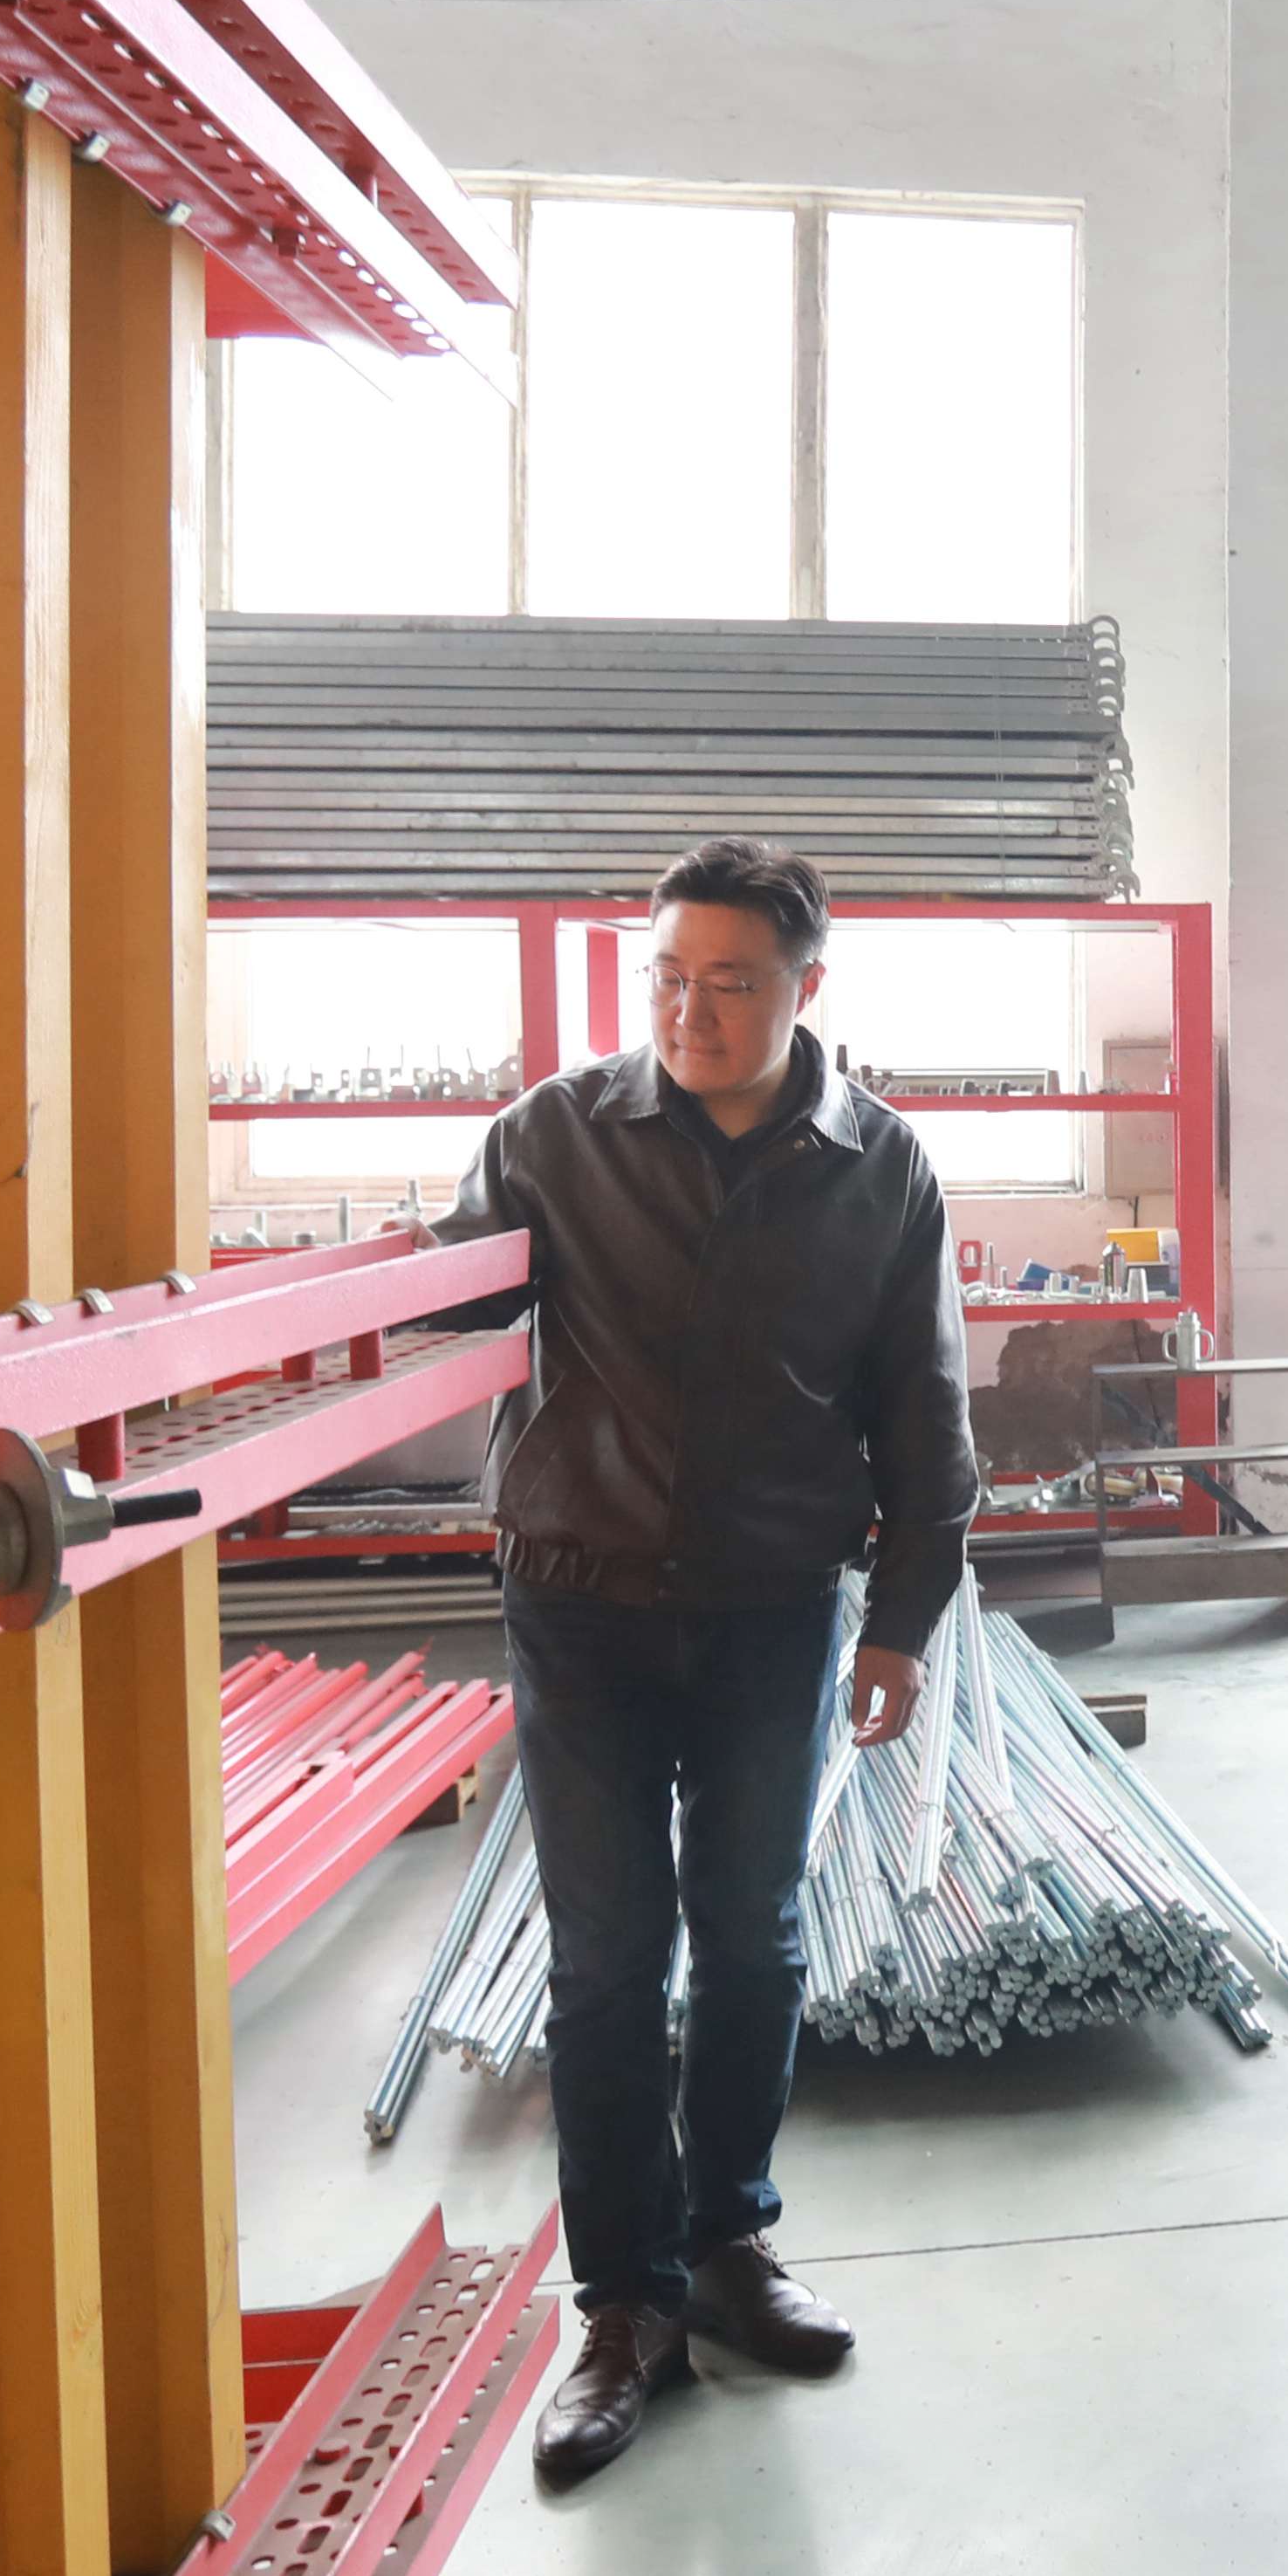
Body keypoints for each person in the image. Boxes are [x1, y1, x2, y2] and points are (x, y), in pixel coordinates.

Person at [435, 836, 983, 2485]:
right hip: (580, 1597)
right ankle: (624, 2305)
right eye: (667, 977)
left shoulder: (879, 1165)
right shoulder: (551, 1137)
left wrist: (902, 1616)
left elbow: (923, 1404)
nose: (690, 1011)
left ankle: (730, 2240)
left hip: (769, 1606)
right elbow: (440, 1309)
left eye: (731, 982)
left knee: (751, 1935)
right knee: (607, 1956)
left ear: (806, 987)